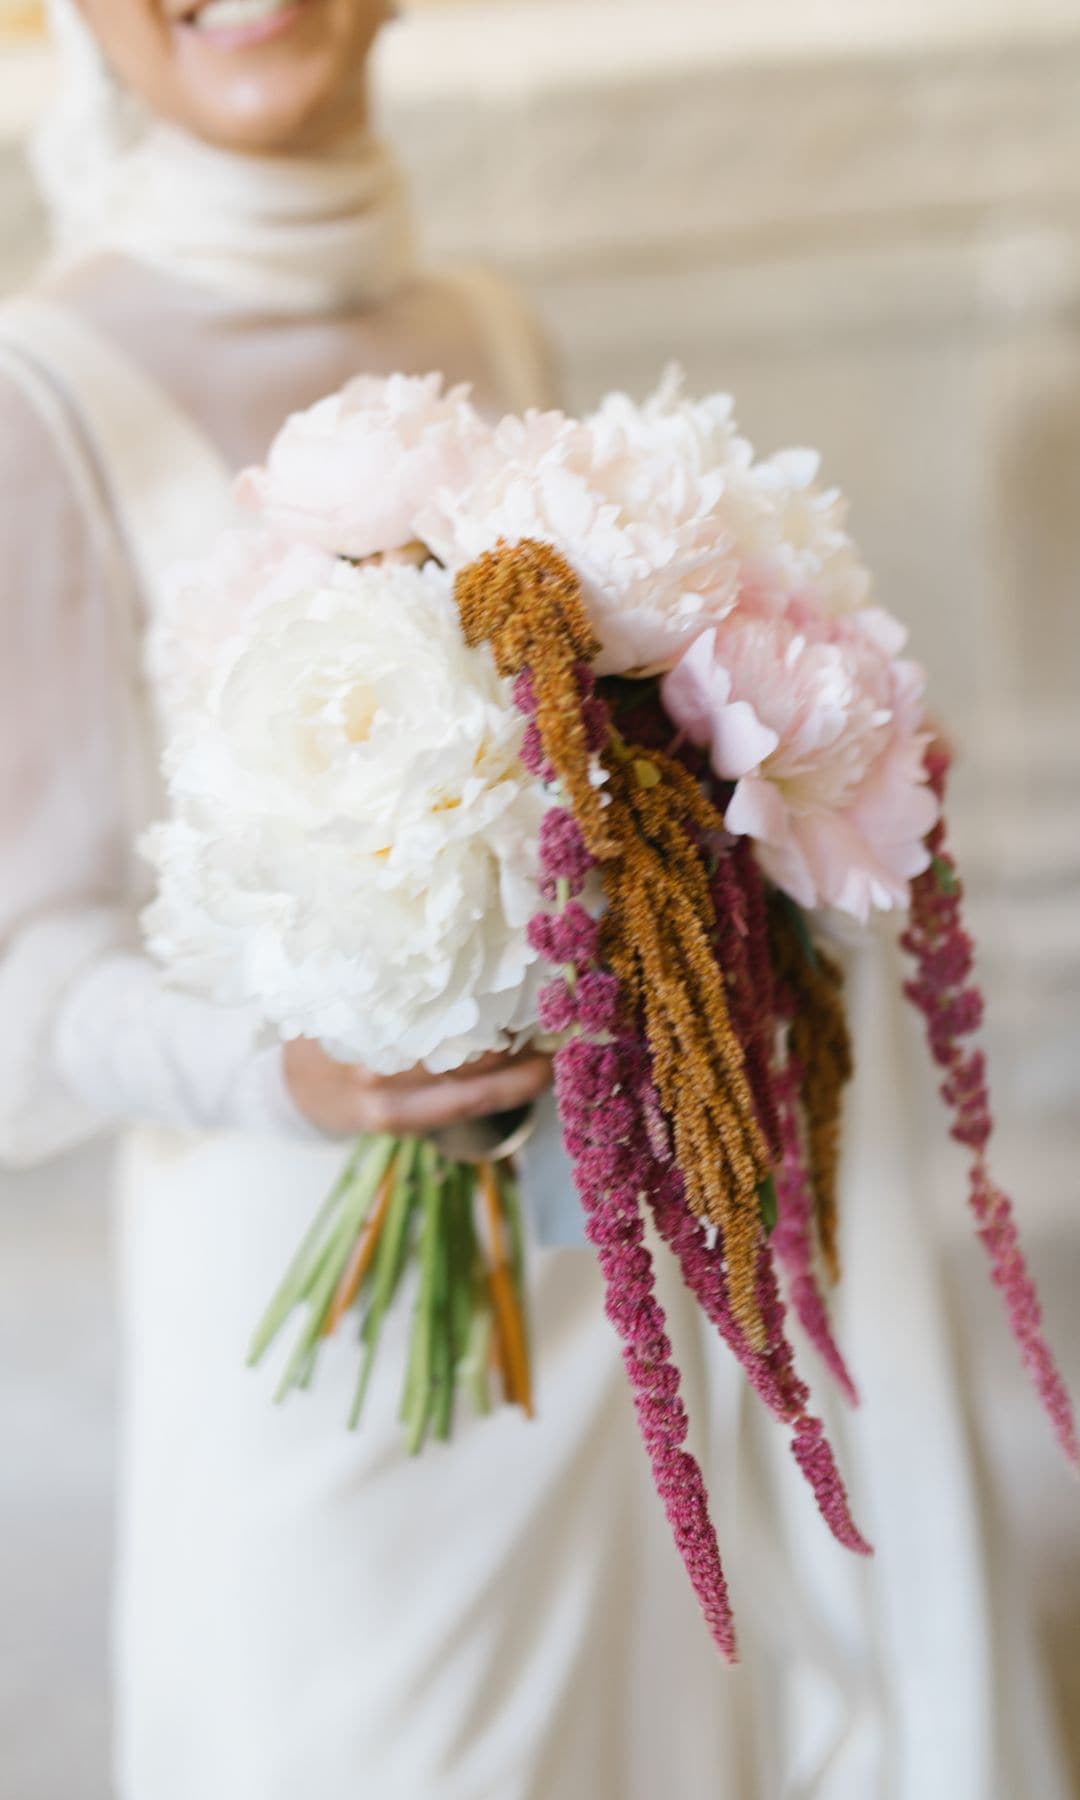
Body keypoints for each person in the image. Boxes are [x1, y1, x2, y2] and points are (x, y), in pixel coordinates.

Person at [0, 4, 1069, 1796]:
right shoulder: (39, 399)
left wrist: (770, 786)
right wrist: (293, 1074)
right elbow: (20, 964)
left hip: (592, 1277)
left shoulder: (483, 327)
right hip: (310, 1326)